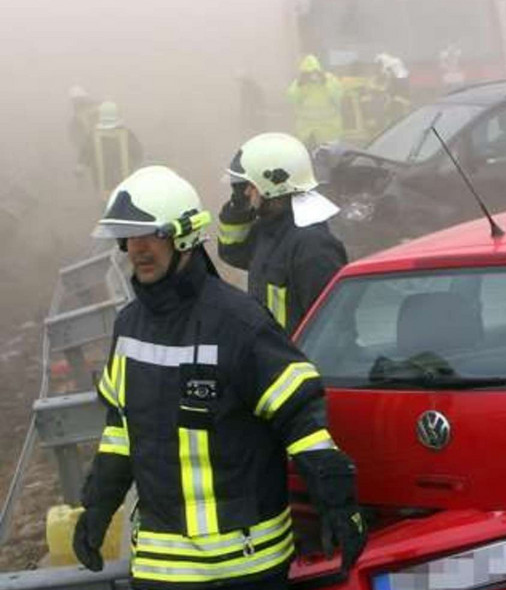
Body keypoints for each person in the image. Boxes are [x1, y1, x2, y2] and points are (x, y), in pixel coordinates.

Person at [74, 165, 366, 589]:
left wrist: (337, 501)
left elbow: (301, 418)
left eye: (151, 235)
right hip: (162, 567)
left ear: (186, 236)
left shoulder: (240, 324)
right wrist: (98, 506)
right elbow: (120, 430)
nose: (136, 249)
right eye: (128, 238)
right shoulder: (129, 327)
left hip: (248, 564)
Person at [217, 132, 347, 336]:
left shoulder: (312, 245)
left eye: (249, 186)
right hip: (272, 354)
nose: (245, 193)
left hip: (295, 361)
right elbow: (231, 251)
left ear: (273, 185)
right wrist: (237, 207)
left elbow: (331, 327)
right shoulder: (269, 228)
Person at [82, 101, 144, 199]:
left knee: (105, 206)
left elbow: (85, 155)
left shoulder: (93, 135)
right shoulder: (127, 133)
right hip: (125, 181)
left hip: (101, 181)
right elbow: (138, 154)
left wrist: (81, 167)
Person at [287, 55, 344, 148]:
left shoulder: (329, 80)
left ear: (319, 71)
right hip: (306, 130)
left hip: (328, 128)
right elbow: (291, 98)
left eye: (314, 72)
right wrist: (299, 85)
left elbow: (338, 95)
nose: (312, 76)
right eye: (308, 73)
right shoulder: (300, 84)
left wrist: (325, 82)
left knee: (330, 156)